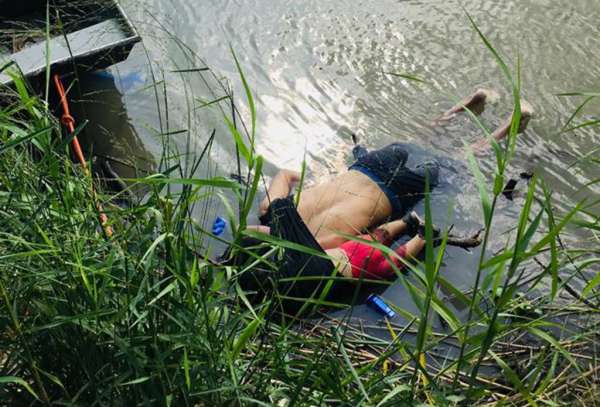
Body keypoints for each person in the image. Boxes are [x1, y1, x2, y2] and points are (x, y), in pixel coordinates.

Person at [236, 90, 533, 314]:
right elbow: (286, 175)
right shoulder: (271, 209)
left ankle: (511, 125)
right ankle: (470, 103)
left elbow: (372, 243)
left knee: (460, 160)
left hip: (395, 193)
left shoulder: (320, 249)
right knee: (420, 136)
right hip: (367, 167)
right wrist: (323, 179)